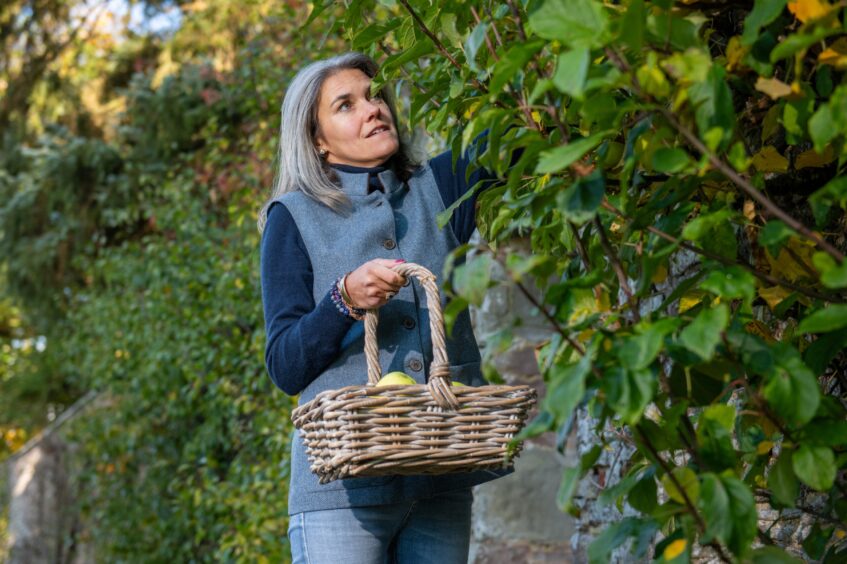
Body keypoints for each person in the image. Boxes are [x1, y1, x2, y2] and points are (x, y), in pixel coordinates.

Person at [259, 52, 503, 564]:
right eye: (346, 105)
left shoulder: (440, 186)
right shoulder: (293, 217)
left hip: (440, 476)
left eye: (374, 96)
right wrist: (343, 299)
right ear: (317, 141)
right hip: (342, 492)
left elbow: (511, 136)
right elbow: (284, 364)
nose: (372, 109)